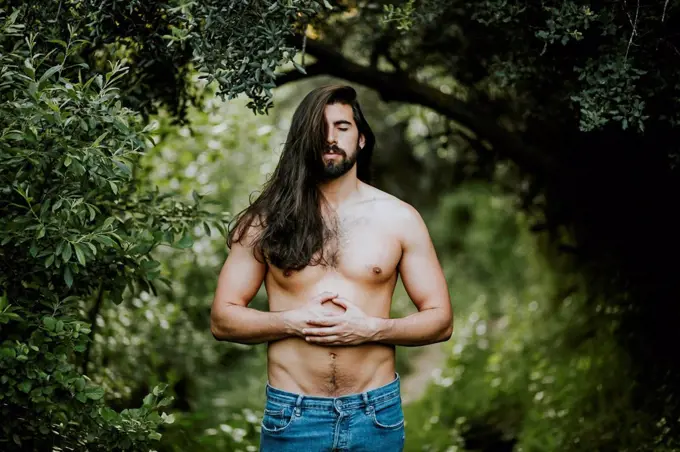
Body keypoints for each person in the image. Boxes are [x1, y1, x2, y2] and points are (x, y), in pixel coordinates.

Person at [210, 84, 453, 451]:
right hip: (293, 414)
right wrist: (293, 321)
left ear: (362, 139)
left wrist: (370, 329)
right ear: (302, 139)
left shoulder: (399, 218)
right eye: (319, 128)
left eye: (342, 126)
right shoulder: (266, 221)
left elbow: (441, 320)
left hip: (375, 414)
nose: (330, 137)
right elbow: (222, 319)